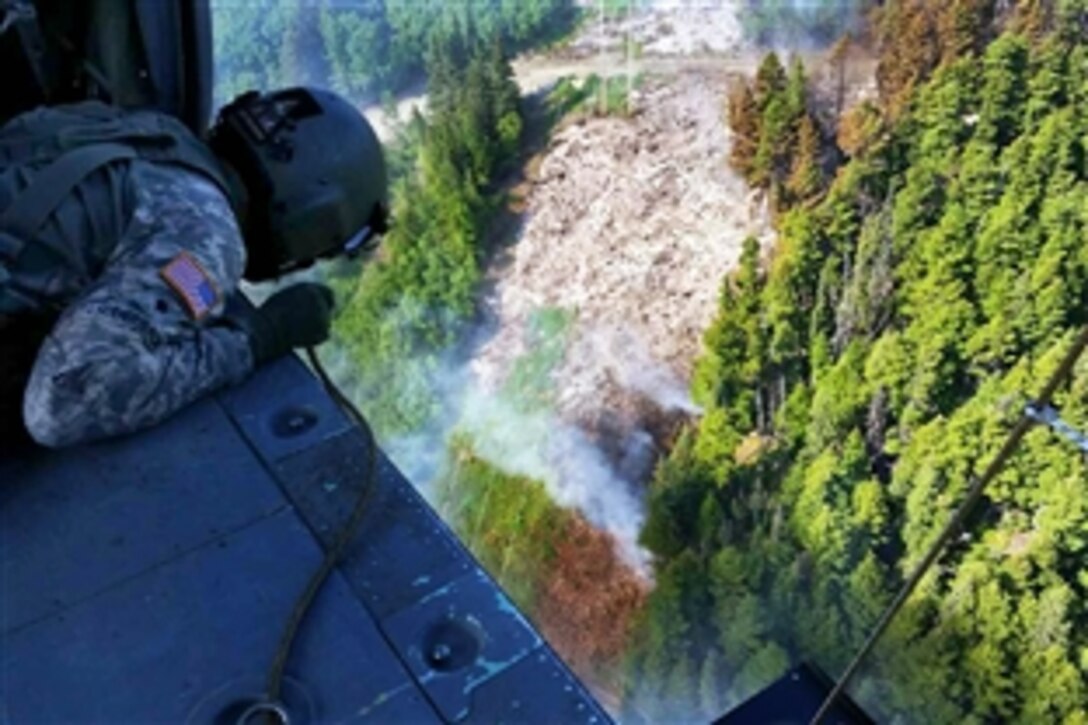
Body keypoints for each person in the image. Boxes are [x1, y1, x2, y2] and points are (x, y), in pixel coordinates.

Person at [0, 87, 388, 451]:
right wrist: (257, 340)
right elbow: (61, 404)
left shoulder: (146, 131)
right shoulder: (207, 234)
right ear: (310, 213)